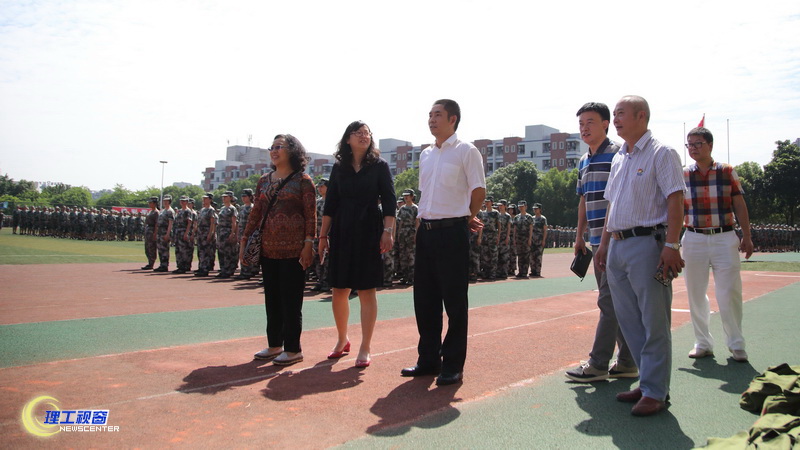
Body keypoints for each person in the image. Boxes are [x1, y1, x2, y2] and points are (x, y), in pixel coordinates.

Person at [595, 95, 685, 416]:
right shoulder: (620, 157)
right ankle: (647, 382)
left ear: (641, 116)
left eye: (621, 114)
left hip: (648, 243)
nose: (616, 120)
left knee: (653, 320)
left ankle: (656, 392)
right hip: (618, 245)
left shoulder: (662, 153)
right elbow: (612, 204)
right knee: (629, 319)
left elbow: (676, 199)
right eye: (615, 114)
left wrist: (672, 245)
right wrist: (604, 244)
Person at [401, 99, 486, 386]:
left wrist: (464, 217)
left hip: (452, 233)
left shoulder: (466, 151)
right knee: (424, 300)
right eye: (429, 115)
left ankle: (452, 364)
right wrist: (419, 225)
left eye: (437, 115)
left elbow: (478, 190)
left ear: (453, 119)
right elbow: (427, 195)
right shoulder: (426, 154)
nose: (431, 119)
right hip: (425, 232)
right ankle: (428, 360)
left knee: (454, 302)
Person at [566, 102, 638, 383]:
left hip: (616, 240)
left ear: (606, 124)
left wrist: (606, 241)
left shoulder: (619, 154)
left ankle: (598, 363)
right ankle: (628, 361)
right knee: (615, 303)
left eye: (590, 122)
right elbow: (583, 200)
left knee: (608, 302)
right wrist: (579, 236)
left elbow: (619, 199)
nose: (584, 128)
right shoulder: (583, 161)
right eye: (581, 124)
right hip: (596, 241)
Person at [318, 121, 396, 369]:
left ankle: (365, 346)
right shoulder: (339, 167)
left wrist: (387, 231)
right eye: (358, 133)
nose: (364, 136)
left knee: (366, 289)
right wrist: (322, 237)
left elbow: (390, 201)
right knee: (339, 289)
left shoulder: (380, 166)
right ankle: (342, 339)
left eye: (367, 133)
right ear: (347, 139)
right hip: (342, 230)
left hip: (369, 230)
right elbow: (330, 204)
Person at [682, 126, 754, 362]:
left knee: (729, 291)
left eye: (698, 143)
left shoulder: (727, 171)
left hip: (724, 236)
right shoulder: (683, 175)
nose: (693, 148)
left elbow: (739, 204)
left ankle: (736, 344)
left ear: (710, 145)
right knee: (695, 292)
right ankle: (702, 343)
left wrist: (747, 236)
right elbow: (676, 207)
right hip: (693, 237)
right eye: (689, 144)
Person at [244, 134, 315, 366]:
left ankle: (293, 349)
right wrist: (245, 238)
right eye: (272, 147)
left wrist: (308, 244)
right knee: (272, 299)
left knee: (291, 301)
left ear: (292, 150)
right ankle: (274, 345)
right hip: (268, 249)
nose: (274, 151)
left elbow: (311, 216)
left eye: (279, 146)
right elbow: (256, 212)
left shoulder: (303, 181)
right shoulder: (264, 180)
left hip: (294, 251)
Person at [395, 189, 419, 285]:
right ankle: (405, 277)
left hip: (411, 233)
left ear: (412, 196)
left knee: (411, 255)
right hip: (402, 233)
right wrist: (398, 234)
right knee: (403, 255)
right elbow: (400, 222)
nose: (406, 197)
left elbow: (417, 222)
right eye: (404, 196)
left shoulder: (415, 208)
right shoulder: (402, 209)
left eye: (407, 195)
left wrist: (416, 234)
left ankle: (412, 277)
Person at [236, 189, 259, 280]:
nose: (243, 198)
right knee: (242, 251)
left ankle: (248, 271)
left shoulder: (253, 207)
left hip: (250, 233)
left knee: (248, 252)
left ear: (250, 197)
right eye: (242, 196)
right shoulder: (242, 208)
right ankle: (243, 271)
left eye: (245, 196)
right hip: (242, 232)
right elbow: (239, 221)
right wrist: (238, 233)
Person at [216, 191, 239, 278]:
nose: (224, 198)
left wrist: (233, 233)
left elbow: (234, 222)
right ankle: (223, 269)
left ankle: (228, 270)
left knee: (228, 252)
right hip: (221, 232)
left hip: (227, 231)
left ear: (230, 198)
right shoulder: (222, 208)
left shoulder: (232, 209)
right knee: (221, 251)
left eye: (226, 197)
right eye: (223, 197)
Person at [195, 194, 217, 277]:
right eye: (203, 198)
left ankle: (205, 269)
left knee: (206, 251)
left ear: (210, 200)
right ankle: (201, 267)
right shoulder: (202, 210)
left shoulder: (211, 210)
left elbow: (212, 223)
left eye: (206, 198)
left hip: (206, 232)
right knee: (201, 251)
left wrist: (210, 234)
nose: (204, 200)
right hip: (201, 233)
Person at [478, 197, 500, 280]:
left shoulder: (495, 213)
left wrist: (498, 236)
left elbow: (499, 225)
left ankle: (493, 273)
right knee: (485, 255)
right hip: (484, 236)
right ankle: (485, 273)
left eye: (488, 202)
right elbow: (481, 225)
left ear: (492, 203)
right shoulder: (482, 213)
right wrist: (480, 237)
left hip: (493, 236)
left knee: (493, 255)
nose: (486, 203)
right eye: (485, 202)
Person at [172, 196, 194, 274]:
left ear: (187, 202)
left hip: (184, 231)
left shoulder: (188, 211)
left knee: (184, 250)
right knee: (178, 250)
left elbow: (189, 223)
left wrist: (186, 233)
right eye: (181, 201)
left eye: (184, 201)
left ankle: (185, 266)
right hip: (178, 232)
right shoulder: (179, 211)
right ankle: (180, 266)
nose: (182, 202)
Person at [153, 195, 175, 272]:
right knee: (160, 249)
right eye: (164, 201)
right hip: (160, 231)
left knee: (165, 249)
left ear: (169, 202)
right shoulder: (162, 211)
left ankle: (165, 265)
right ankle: (162, 264)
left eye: (167, 201)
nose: (165, 202)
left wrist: (168, 234)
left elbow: (170, 223)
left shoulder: (170, 211)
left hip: (165, 231)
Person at [512, 201, 533, 278]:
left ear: (526, 207)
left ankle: (525, 272)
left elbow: (531, 229)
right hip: (519, 239)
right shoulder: (516, 217)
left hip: (526, 239)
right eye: (520, 206)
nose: (521, 208)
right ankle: (520, 271)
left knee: (526, 255)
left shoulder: (529, 217)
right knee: (520, 255)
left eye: (522, 206)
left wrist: (530, 239)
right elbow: (514, 229)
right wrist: (514, 239)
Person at [141, 197, 159, 270]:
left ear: (154, 203)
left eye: (150, 203)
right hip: (148, 231)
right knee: (147, 248)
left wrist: (155, 233)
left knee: (152, 248)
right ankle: (149, 262)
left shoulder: (156, 212)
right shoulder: (150, 212)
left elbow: (156, 224)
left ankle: (151, 263)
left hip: (152, 231)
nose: (149, 204)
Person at [529, 203, 547, 277]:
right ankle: (533, 270)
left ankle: (538, 271)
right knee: (532, 256)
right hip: (532, 239)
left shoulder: (543, 219)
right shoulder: (532, 218)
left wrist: (543, 240)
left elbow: (545, 230)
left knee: (538, 256)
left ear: (540, 209)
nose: (535, 210)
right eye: (534, 209)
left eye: (536, 209)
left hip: (539, 240)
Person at [495, 199, 512, 279]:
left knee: (505, 256)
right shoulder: (497, 215)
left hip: (504, 237)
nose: (500, 207)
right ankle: (498, 272)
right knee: (498, 255)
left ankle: (504, 272)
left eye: (501, 205)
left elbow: (509, 227)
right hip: (498, 238)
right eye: (499, 206)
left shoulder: (507, 216)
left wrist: (507, 237)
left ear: (505, 206)